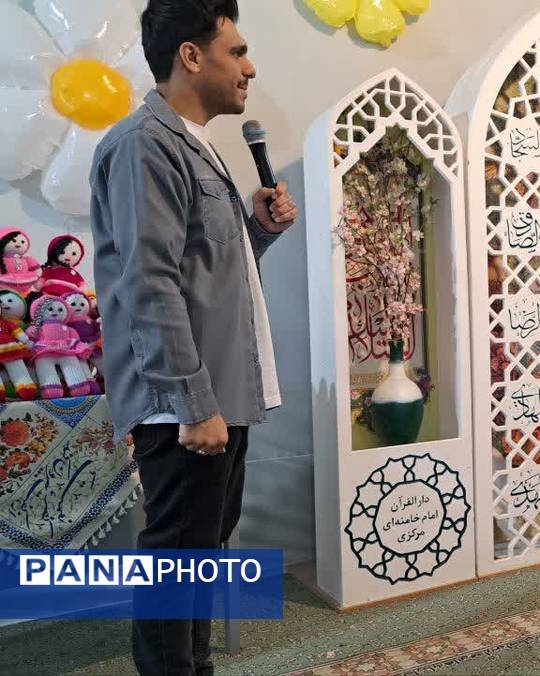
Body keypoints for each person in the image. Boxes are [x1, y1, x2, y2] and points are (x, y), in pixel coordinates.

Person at [89, 1, 297, 673]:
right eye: (236, 51)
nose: (249, 67)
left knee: (199, 559)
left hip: (215, 393)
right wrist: (191, 401)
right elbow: (148, 285)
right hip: (186, 404)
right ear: (190, 55)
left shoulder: (193, 142)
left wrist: (256, 230)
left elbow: (203, 276)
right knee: (176, 562)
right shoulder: (144, 145)